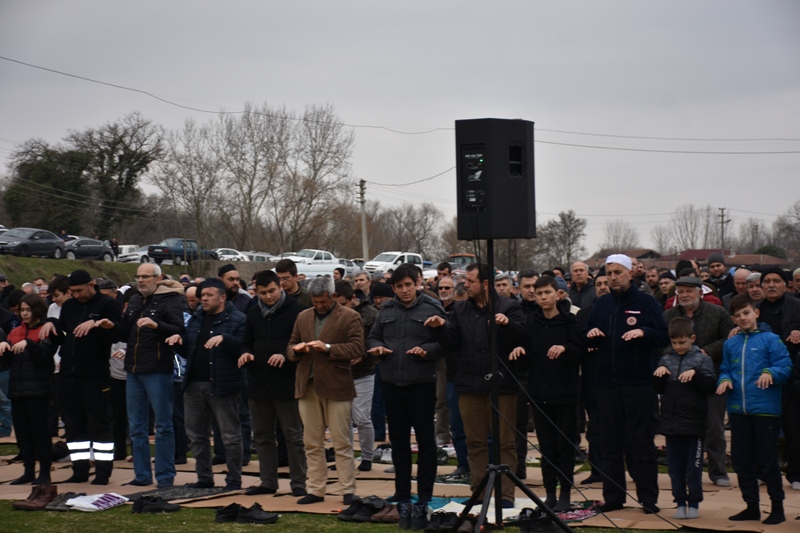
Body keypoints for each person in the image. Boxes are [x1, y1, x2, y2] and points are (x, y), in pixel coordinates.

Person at [425, 262, 525, 508]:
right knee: (475, 442)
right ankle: (479, 492)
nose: (465, 285)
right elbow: (450, 343)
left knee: (505, 442)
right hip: (469, 385)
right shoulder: (460, 310)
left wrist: (507, 325)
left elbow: (522, 339)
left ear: (486, 284)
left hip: (502, 385)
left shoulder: (510, 307)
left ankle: (505, 495)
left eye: (470, 281)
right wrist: (439, 329)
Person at [585, 254, 668, 514]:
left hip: (638, 384)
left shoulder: (645, 302)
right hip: (607, 384)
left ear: (630, 274)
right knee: (609, 443)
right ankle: (613, 497)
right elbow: (587, 334)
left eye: (618, 273)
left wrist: (644, 332)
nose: (613, 278)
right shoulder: (601, 304)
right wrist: (591, 335)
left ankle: (648, 498)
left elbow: (663, 336)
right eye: (609, 273)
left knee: (640, 443)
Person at [366, 264, 445, 511]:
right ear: (394, 288)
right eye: (399, 286)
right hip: (391, 382)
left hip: (421, 383)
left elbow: (445, 341)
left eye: (408, 285)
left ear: (417, 284)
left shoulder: (432, 308)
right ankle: (401, 491)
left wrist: (427, 350)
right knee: (398, 441)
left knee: (425, 441)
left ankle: (424, 493)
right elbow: (372, 337)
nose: (404, 290)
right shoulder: (386, 309)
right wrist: (377, 348)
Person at [717, 294, 794, 525]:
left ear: (756, 313)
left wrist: (770, 373)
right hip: (739, 411)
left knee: (767, 462)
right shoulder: (730, 343)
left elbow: (785, 366)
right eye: (738, 315)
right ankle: (751, 506)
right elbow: (725, 369)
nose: (743, 318)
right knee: (741, 461)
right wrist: (724, 379)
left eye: (747, 313)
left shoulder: (771, 340)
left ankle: (777, 508)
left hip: (765, 411)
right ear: (733, 319)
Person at [286, 276, 364, 505]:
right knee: (311, 442)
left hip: (337, 386)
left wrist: (328, 347)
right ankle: (316, 489)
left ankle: (348, 489)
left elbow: (358, 347)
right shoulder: (303, 316)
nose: (319, 305)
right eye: (315, 301)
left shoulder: (350, 316)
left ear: (333, 296)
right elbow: (290, 345)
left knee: (341, 442)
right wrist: (296, 351)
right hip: (307, 386)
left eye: (323, 301)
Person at [38, 270, 120, 484]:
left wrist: (103, 323)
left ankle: (102, 472)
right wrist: (51, 324)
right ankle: (79, 469)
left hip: (94, 374)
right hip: (68, 374)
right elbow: (63, 330)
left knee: (99, 424)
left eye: (79, 290)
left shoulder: (106, 304)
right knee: (73, 425)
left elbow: (120, 332)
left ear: (92, 284)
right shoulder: (70, 306)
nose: (76, 295)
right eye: (72, 292)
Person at [509, 275, 582, 511]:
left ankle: (566, 493)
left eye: (547, 293)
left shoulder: (570, 322)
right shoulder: (532, 322)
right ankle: (550, 493)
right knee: (547, 448)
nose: (543, 297)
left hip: (566, 394)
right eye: (538, 294)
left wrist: (566, 348)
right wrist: (520, 350)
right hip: (540, 396)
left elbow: (583, 351)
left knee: (565, 447)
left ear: (558, 294)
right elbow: (527, 356)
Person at [168, 278, 246, 491]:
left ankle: (234, 480)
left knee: (230, 436)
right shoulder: (196, 319)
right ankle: (204, 478)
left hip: (224, 385)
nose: (204, 299)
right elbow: (190, 351)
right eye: (202, 295)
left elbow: (244, 349)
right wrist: (177, 342)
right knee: (196, 436)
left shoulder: (238, 319)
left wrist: (225, 338)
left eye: (209, 295)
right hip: (193, 385)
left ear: (222, 297)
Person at [238, 270, 307, 497]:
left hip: (286, 383)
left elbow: (303, 345)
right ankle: (268, 481)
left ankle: (299, 482)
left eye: (271, 291)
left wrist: (286, 355)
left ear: (281, 287)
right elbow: (246, 341)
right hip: (258, 382)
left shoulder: (297, 311)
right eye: (262, 293)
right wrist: (246, 353)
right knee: (262, 436)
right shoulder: (254, 311)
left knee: (293, 436)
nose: (267, 297)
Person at [116, 263, 185, 488]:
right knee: (136, 426)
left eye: (145, 276)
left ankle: (165, 476)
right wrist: (109, 326)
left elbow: (178, 329)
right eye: (138, 276)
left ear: (158, 278)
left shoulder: (171, 299)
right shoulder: (135, 299)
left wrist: (156, 325)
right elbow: (126, 331)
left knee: (163, 425)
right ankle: (142, 475)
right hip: (133, 369)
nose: (141, 280)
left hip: (158, 368)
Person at [663, 276, 735, 488]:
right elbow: (661, 343)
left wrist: (705, 352)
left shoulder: (718, 312)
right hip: (679, 382)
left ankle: (718, 471)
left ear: (700, 293)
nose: (684, 295)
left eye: (689, 291)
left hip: (710, 377)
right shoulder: (668, 315)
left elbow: (728, 338)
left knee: (714, 427)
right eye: (680, 291)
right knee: (684, 429)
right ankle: (686, 472)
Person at [653, 317, 717, 519]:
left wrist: (695, 374)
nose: (678, 347)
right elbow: (658, 389)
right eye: (674, 343)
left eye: (682, 342)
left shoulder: (702, 359)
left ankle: (695, 503)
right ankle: (680, 502)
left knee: (693, 468)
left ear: (692, 338)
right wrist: (659, 375)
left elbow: (709, 387)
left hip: (693, 425)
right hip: (672, 425)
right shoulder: (666, 359)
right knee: (674, 469)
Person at [753, 267, 800, 491]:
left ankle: (796, 474)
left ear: (786, 284)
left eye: (777, 281)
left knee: (794, 429)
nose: (771, 285)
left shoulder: (797, 307)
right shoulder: (755, 311)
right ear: (761, 287)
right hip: (763, 380)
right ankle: (763, 472)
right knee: (764, 430)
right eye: (767, 281)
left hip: (792, 379)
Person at [0, 294, 54, 485]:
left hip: (39, 390)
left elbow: (45, 357)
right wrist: (4, 348)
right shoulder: (14, 332)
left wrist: (30, 344)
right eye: (21, 310)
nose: (23, 313)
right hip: (18, 389)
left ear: (37, 310)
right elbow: (6, 364)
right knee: (23, 435)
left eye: (27, 310)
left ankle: (45, 473)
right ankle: (28, 471)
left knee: (41, 433)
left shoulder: (45, 330)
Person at [334, 280, 378, 472]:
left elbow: (377, 340)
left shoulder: (371, 315)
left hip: (364, 372)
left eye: (343, 303)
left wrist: (363, 354)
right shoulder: (334, 315)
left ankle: (367, 456)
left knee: (361, 417)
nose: (340, 308)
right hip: (341, 372)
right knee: (342, 419)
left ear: (353, 298)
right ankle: (345, 457)